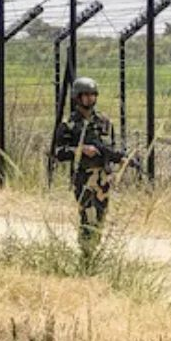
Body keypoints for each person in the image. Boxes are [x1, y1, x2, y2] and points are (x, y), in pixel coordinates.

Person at [51, 77, 116, 260]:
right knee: (88, 216)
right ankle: (86, 255)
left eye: (93, 95)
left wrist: (116, 162)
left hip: (103, 178)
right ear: (77, 97)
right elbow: (58, 152)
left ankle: (93, 253)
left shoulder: (104, 121)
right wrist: (80, 150)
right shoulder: (68, 124)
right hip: (83, 177)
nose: (89, 98)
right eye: (85, 95)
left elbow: (111, 148)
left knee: (100, 216)